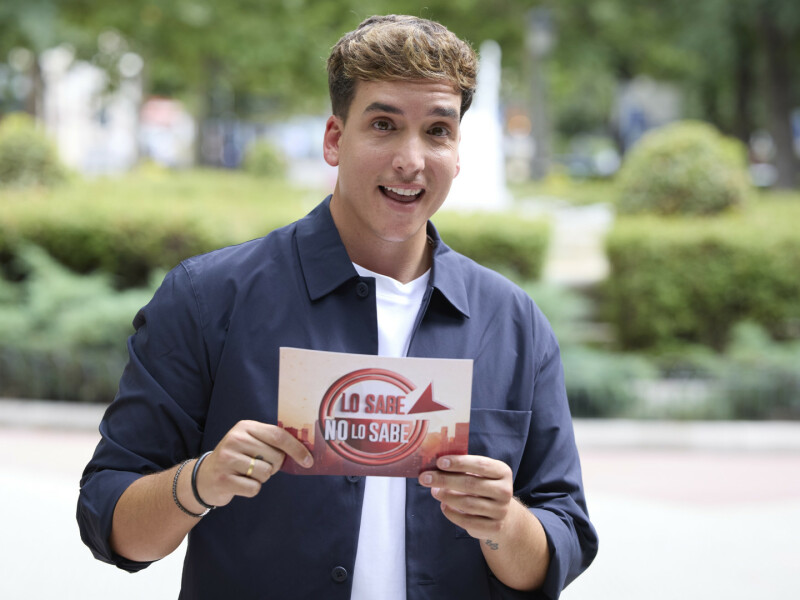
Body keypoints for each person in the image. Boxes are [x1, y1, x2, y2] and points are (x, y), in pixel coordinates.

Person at [78, 14, 597, 599]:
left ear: (457, 151)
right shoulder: (207, 298)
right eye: (383, 125)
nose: (411, 159)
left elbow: (561, 545)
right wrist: (200, 482)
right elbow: (110, 521)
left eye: (437, 130)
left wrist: (504, 524)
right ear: (334, 139)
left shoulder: (514, 324)